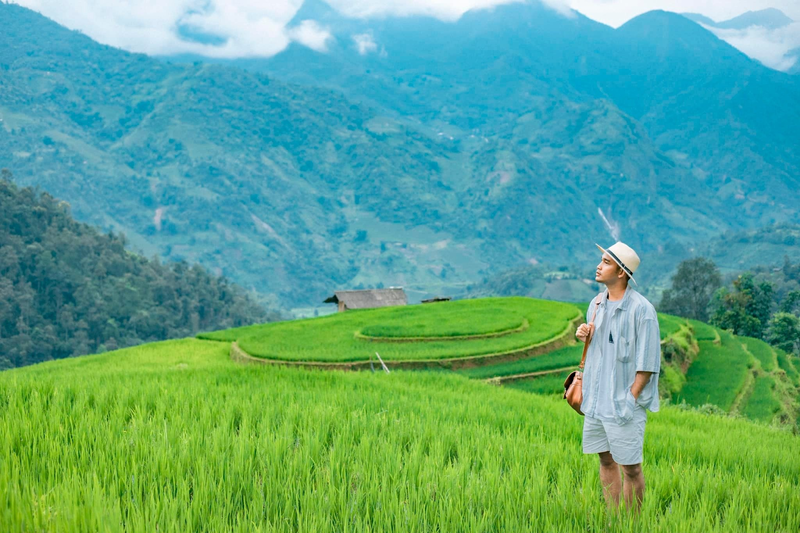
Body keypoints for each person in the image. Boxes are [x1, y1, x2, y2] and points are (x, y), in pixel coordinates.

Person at [575, 242, 660, 512]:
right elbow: (602, 351)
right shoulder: (596, 303)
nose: (599, 266)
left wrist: (630, 397)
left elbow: (647, 362)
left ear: (621, 272)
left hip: (624, 403)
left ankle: (632, 524)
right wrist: (585, 335)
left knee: (631, 468)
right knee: (605, 461)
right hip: (597, 401)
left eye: (606, 262)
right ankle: (614, 520)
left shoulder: (642, 310)